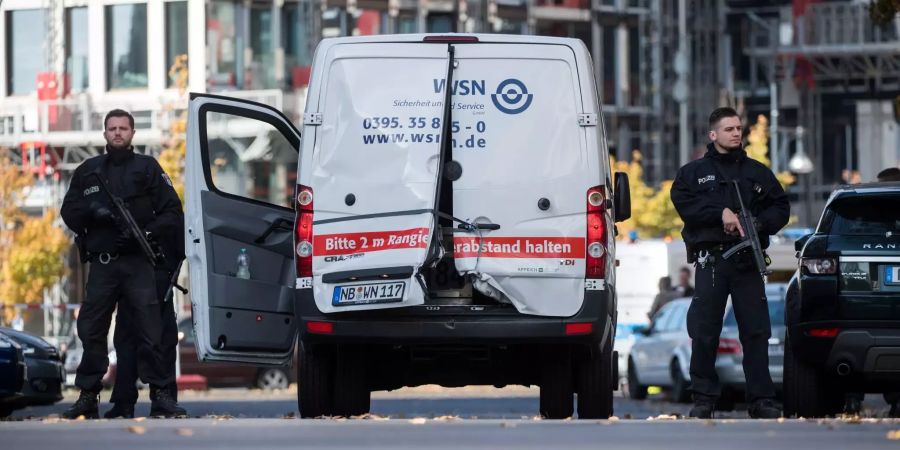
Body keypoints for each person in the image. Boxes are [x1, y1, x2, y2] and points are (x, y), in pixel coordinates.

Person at [60, 109, 186, 419]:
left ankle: (161, 396)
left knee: (151, 331)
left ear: (132, 133)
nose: (118, 133)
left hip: (138, 264)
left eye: (123, 128)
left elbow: (172, 212)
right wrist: (93, 212)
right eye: (112, 128)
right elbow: (69, 212)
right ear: (104, 134)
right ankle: (88, 396)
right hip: (103, 266)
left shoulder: (148, 169)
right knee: (91, 328)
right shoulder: (87, 171)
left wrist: (144, 233)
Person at [670, 107, 790, 419]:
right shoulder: (693, 174)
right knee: (705, 330)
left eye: (738, 128)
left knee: (756, 330)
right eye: (729, 129)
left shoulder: (757, 172)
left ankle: (761, 399)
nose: (736, 133)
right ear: (713, 134)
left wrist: (758, 225)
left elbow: (780, 207)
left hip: (747, 260)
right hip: (712, 260)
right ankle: (704, 399)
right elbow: (684, 203)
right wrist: (719, 213)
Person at [104, 219, 185, 419]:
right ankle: (125, 402)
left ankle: (162, 399)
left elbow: (175, 222)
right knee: (126, 341)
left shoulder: (158, 193)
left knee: (161, 338)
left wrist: (167, 268)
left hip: (156, 272)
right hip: (130, 272)